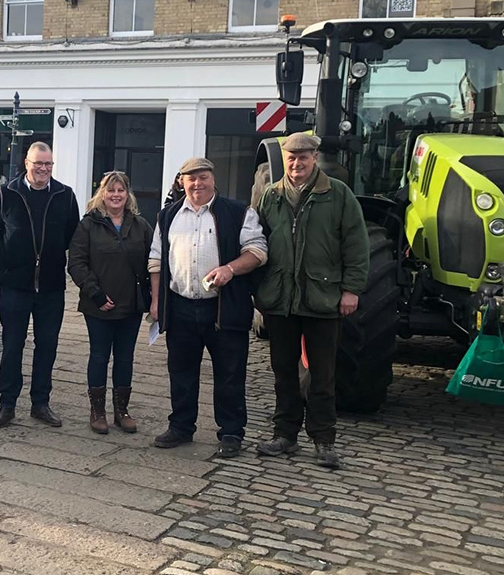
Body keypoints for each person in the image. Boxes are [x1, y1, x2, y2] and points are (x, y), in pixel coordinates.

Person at [253, 133, 369, 470]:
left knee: (322, 374)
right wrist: (260, 291)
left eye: (303, 157)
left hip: (323, 297)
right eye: (291, 157)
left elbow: (356, 245)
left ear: (314, 158)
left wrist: (351, 290)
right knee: (283, 371)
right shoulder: (271, 196)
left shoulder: (337, 195)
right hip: (281, 300)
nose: (296, 163)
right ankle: (285, 434)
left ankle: (323, 440)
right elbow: (257, 243)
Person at [149, 157, 268, 458]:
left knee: (229, 373)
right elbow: (155, 261)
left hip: (224, 308)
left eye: (203, 177)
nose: (197, 184)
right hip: (181, 306)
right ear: (182, 183)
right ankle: (181, 426)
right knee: (181, 371)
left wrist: (230, 268)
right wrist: (155, 302)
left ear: (213, 179)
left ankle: (230, 432)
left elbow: (257, 251)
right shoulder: (168, 216)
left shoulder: (239, 212)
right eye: (191, 179)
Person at [0, 141, 80, 428]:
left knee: (47, 345)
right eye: (38, 163)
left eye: (48, 164)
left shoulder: (65, 195)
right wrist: (13, 254)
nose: (43, 169)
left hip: (51, 286)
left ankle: (40, 403)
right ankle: (7, 404)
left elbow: (71, 234)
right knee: (12, 345)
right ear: (26, 163)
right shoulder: (7, 192)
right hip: (14, 285)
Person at [68, 171, 151, 434]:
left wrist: (152, 296)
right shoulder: (88, 225)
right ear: (102, 194)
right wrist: (96, 294)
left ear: (128, 195)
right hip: (98, 305)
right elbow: (77, 263)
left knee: (125, 358)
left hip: (130, 305)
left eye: (121, 191)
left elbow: (154, 261)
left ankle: (122, 411)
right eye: (111, 190)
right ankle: (98, 412)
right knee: (99, 356)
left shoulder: (140, 226)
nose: (116, 195)